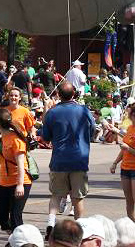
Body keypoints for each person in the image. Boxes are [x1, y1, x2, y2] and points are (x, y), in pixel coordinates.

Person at [41, 80, 95, 236]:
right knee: (78, 197)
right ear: (74, 94)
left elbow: (45, 137)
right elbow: (92, 130)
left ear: (58, 95)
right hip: (79, 158)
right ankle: (79, 229)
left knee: (56, 195)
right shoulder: (84, 110)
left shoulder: (52, 112)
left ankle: (51, 224)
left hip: (59, 159)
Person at [111, 102, 135, 234]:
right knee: (128, 200)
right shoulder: (130, 129)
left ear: (134, 114)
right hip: (125, 168)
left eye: (129, 111)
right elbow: (124, 149)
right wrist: (115, 162)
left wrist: (129, 149)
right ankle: (132, 229)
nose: (127, 112)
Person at [0, 107, 33, 236]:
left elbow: (21, 164)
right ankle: (13, 237)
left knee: (15, 216)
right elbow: (4, 161)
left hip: (20, 181)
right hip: (4, 181)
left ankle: (20, 240)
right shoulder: (1, 139)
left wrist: (20, 185)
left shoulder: (16, 139)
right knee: (1, 214)